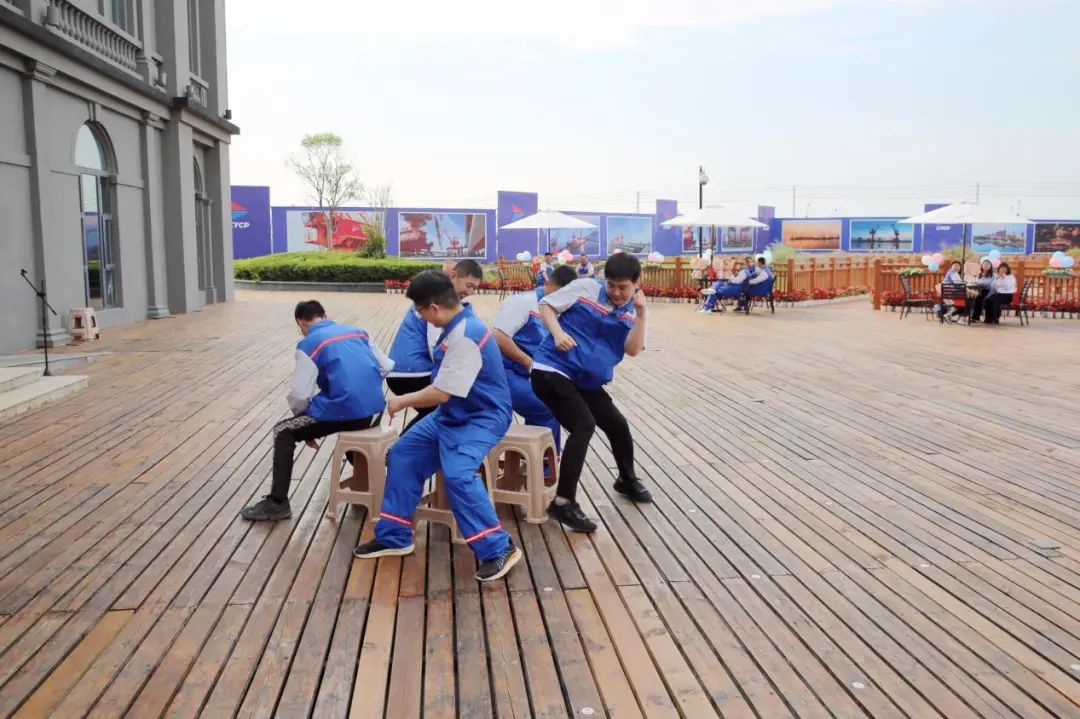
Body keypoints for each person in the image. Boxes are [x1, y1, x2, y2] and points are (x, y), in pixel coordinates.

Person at [354, 271, 520, 581]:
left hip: (481, 417)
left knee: (458, 474)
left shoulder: (466, 335)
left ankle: (499, 548)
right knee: (403, 453)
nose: (419, 317)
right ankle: (395, 536)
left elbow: (442, 392)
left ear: (433, 308)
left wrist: (401, 401)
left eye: (419, 310)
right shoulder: (454, 325)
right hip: (452, 413)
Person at [530, 253, 651, 533]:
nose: (616, 293)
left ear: (637, 283)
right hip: (552, 369)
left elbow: (632, 350)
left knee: (616, 424)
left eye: (623, 287)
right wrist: (558, 334)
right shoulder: (585, 288)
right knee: (583, 425)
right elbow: (546, 305)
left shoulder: (635, 310)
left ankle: (626, 480)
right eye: (611, 285)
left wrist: (642, 315)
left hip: (584, 380)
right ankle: (563, 502)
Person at [241, 301, 392, 521]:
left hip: (344, 410)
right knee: (354, 436)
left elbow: (300, 394)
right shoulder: (359, 332)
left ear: (301, 323)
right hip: (374, 408)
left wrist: (303, 422)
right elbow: (386, 366)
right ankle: (378, 484)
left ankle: (277, 503)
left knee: (283, 431)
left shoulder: (309, 343)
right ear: (324, 315)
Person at [386, 259, 483, 432]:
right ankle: (405, 444)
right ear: (453, 276)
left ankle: (406, 443)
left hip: (402, 371)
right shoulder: (438, 301)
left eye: (474, 288)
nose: (470, 292)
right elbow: (436, 345)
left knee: (437, 412)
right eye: (468, 285)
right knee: (447, 410)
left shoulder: (435, 295)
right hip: (413, 372)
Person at [493, 265, 577, 453]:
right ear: (548, 283)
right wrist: (528, 362)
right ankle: (545, 462)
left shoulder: (562, 308)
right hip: (506, 373)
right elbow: (498, 336)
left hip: (534, 375)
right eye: (560, 294)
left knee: (562, 401)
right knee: (547, 406)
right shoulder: (523, 302)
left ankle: (535, 459)